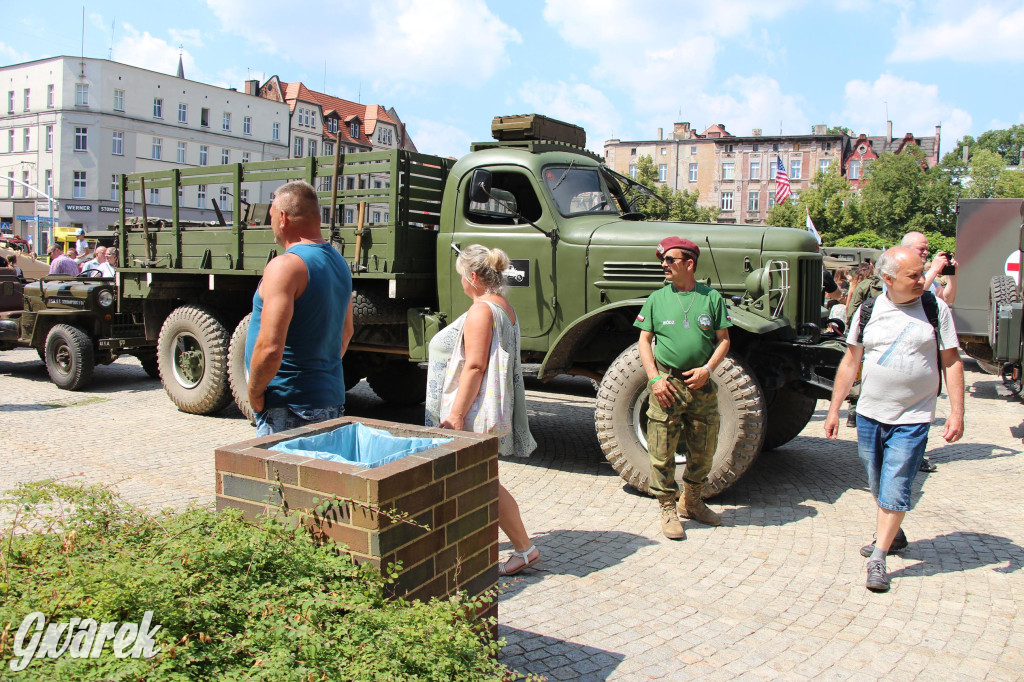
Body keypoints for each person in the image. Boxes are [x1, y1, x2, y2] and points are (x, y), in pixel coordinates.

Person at [824, 246, 964, 592]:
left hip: (914, 417)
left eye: (921, 273)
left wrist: (957, 412)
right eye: (913, 275)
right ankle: (894, 533)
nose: (921, 280)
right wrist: (834, 408)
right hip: (871, 414)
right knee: (877, 482)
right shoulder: (869, 311)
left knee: (898, 483)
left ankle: (879, 556)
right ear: (888, 279)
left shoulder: (934, 308)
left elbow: (951, 361)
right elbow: (850, 362)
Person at [425, 244, 540, 576]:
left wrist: (456, 416)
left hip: (470, 413)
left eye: (463, 276)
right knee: (481, 480)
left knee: (482, 481)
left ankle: (523, 548)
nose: (461, 282)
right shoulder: (503, 306)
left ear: (473, 276)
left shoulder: (481, 311)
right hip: (485, 410)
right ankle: (516, 548)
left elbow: (475, 367)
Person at [634, 237, 731, 540]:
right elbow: (644, 341)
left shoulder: (711, 298)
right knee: (662, 449)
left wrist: (708, 369)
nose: (664, 265)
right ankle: (667, 507)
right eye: (662, 260)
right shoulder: (657, 299)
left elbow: (724, 339)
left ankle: (692, 500)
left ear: (689, 264)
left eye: (670, 260)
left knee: (704, 450)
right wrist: (654, 379)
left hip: (700, 385)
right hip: (668, 383)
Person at [244, 180, 354, 437]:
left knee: (280, 477)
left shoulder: (286, 266)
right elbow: (346, 333)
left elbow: (270, 347)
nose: (271, 224)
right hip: (328, 400)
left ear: (282, 217)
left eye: (271, 216)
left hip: (289, 405)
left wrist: (254, 392)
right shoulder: (339, 262)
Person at [902, 231, 957, 306]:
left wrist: (952, 274)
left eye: (927, 249)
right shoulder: (896, 272)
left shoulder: (926, 275)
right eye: (921, 249)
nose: (925, 252)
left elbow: (947, 299)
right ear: (906, 250)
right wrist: (934, 269)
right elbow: (910, 296)